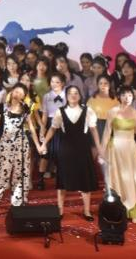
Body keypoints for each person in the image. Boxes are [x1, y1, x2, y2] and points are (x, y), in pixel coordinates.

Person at [40, 85, 100, 220]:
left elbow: (94, 130)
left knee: (85, 180)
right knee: (62, 180)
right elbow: (52, 129)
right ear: (66, 96)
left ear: (80, 95)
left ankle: (87, 211)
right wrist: (44, 143)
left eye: (76, 93)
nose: (73, 95)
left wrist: (99, 146)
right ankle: (60, 210)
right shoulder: (60, 111)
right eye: (70, 93)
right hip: (65, 150)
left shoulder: (88, 110)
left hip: (83, 149)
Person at [0, 84, 37, 213]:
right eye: (16, 91)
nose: (18, 94)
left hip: (22, 145)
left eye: (21, 93)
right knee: (2, 174)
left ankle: (18, 202)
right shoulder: (2, 107)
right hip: (6, 144)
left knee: (21, 174)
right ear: (11, 92)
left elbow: (31, 127)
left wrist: (38, 145)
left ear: (24, 96)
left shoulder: (25, 108)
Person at [100, 85, 136, 222]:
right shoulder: (112, 112)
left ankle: (133, 213)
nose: (127, 98)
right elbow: (107, 133)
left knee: (133, 179)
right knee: (118, 179)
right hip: (115, 150)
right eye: (124, 95)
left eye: (130, 95)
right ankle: (117, 212)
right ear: (119, 97)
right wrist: (102, 152)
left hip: (131, 150)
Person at [88, 75, 119, 140]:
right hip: (97, 127)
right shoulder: (92, 99)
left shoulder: (115, 100)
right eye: (101, 83)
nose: (103, 85)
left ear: (110, 85)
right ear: (97, 85)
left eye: (105, 83)